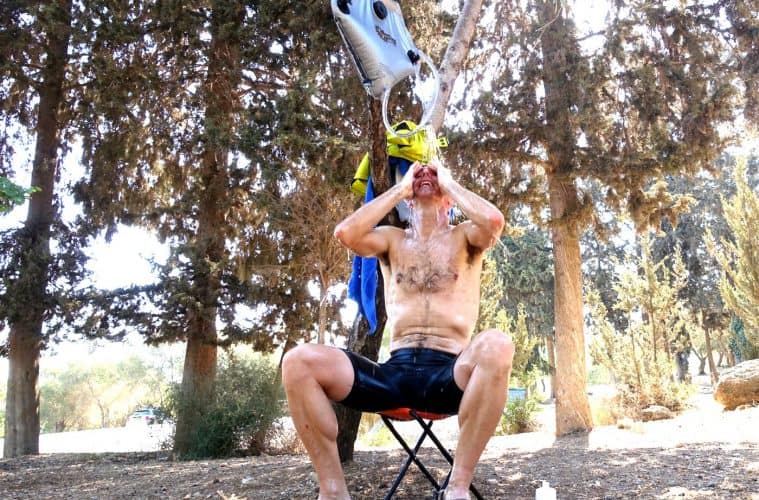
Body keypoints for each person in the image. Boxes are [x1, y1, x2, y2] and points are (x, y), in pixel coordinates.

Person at [282, 160, 514, 500]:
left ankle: (457, 488)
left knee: (497, 345)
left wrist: (449, 183)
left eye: (433, 175)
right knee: (297, 361)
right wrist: (399, 189)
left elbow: (493, 222)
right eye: (419, 174)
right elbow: (346, 234)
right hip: (394, 375)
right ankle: (332, 491)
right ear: (407, 198)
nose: (425, 176)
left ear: (450, 198)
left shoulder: (466, 236)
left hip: (449, 376)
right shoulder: (392, 239)